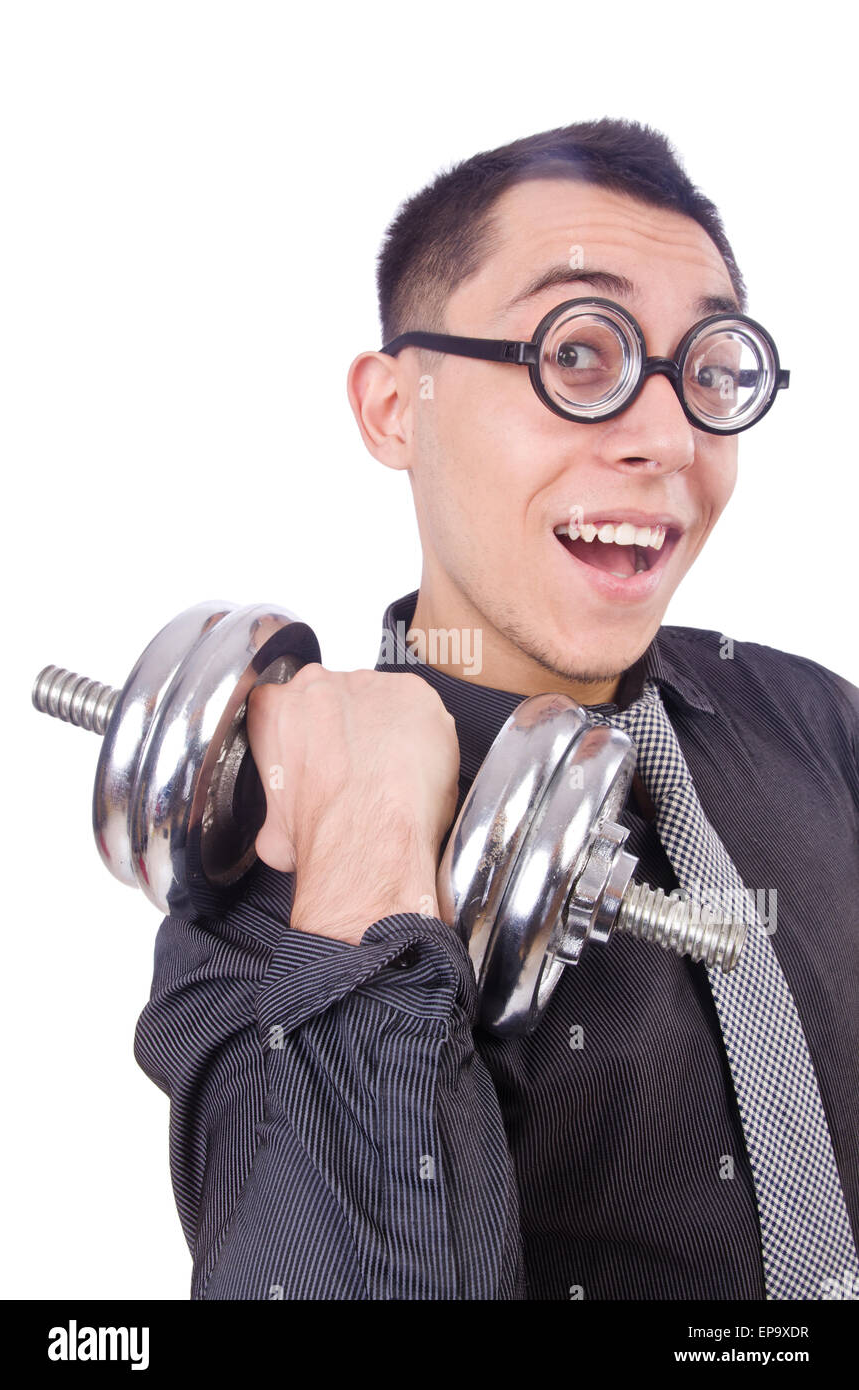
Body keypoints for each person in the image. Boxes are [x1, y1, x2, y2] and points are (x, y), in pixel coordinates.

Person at [135, 118, 859, 1300]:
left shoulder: (818, 722)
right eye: (579, 354)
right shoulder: (269, 893)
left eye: (714, 368)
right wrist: (371, 842)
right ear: (394, 409)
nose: (670, 438)